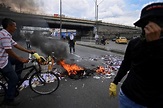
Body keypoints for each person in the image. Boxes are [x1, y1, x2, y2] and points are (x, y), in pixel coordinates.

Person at [109, 2, 163, 108]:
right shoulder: (134, 43)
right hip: (127, 97)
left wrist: (155, 45)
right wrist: (115, 82)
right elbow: (126, 64)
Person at [0, 18, 35, 106]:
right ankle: (9, 99)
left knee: (19, 63)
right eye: (14, 26)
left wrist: (28, 51)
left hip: (5, 57)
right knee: (13, 78)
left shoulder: (7, 34)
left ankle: (17, 78)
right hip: (2, 61)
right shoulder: (3, 35)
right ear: (9, 26)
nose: (16, 28)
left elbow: (16, 45)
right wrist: (20, 58)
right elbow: (8, 50)